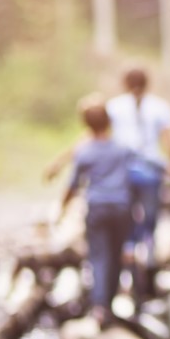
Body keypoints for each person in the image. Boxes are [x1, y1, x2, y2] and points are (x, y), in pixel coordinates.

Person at [46, 68, 170, 271]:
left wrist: (60, 163)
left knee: (127, 217)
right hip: (151, 173)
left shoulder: (115, 107)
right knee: (150, 218)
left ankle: (129, 250)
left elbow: (90, 137)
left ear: (124, 84)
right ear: (148, 84)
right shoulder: (161, 107)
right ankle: (148, 254)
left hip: (125, 172)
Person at [59, 102, 136, 326]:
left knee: (99, 257)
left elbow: (72, 185)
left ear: (86, 125)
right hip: (122, 208)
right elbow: (147, 164)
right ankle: (109, 304)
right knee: (116, 255)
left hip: (98, 209)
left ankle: (100, 307)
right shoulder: (121, 148)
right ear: (109, 122)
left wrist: (62, 208)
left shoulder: (85, 151)